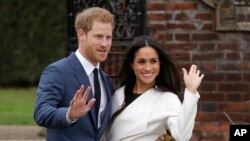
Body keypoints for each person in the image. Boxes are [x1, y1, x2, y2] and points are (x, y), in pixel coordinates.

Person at [34, 7, 114, 141]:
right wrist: (69, 114)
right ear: (81, 34)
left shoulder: (106, 80)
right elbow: (41, 113)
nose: (105, 44)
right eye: (99, 36)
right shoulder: (57, 71)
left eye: (109, 37)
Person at [108, 36, 204, 141]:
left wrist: (191, 92)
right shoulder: (118, 93)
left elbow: (182, 135)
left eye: (153, 61)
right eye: (141, 62)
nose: (148, 68)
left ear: (160, 64)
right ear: (132, 64)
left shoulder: (167, 99)